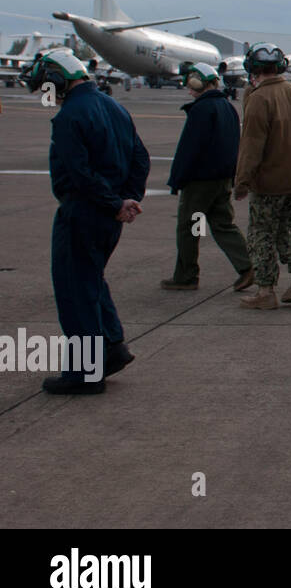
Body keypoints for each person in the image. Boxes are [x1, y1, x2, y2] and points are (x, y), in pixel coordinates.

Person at [23, 48, 148, 394]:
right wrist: (128, 200)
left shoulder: (69, 116)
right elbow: (140, 157)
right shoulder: (114, 107)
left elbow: (79, 173)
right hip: (110, 216)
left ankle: (84, 374)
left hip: (83, 213)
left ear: (58, 78)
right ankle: (111, 348)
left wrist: (113, 203)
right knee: (91, 280)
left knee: (75, 289)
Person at [233, 42, 291, 309]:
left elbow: (251, 146)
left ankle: (266, 291)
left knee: (261, 234)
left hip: (271, 182)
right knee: (285, 228)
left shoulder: (259, 99)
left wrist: (242, 181)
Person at [162, 62, 253, 291]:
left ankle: (186, 275)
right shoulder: (227, 107)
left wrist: (177, 180)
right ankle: (248, 266)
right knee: (223, 225)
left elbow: (189, 149)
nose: (189, 88)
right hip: (221, 179)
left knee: (189, 227)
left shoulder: (202, 109)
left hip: (199, 182)